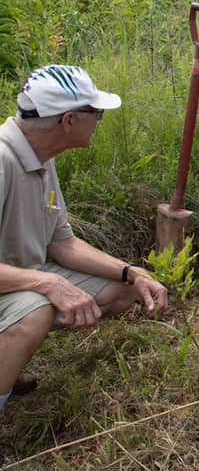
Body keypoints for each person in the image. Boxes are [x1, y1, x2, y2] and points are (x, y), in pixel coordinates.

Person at [0, 65, 168, 414]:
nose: (100, 120)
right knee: (37, 308)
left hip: (19, 280)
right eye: (96, 113)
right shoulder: (2, 162)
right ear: (68, 120)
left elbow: (62, 243)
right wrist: (48, 283)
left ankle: (8, 363)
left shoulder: (41, 158)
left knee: (121, 290)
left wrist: (131, 272)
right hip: (16, 286)